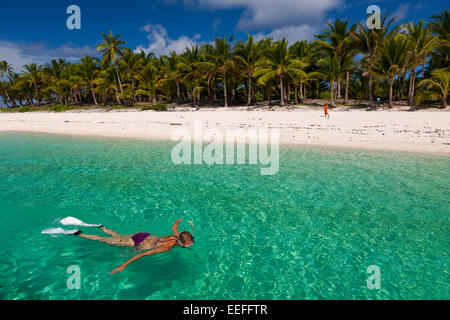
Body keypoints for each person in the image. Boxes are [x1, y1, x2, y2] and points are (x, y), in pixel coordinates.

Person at [72, 219, 194, 274]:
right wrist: (123, 265)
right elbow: (143, 254)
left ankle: (102, 227)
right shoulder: (167, 247)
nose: (188, 246)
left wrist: (177, 221)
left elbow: (174, 227)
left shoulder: (176, 236)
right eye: (188, 245)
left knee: (118, 237)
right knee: (105, 240)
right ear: (182, 243)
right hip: (136, 243)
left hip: (143, 236)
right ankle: (80, 234)